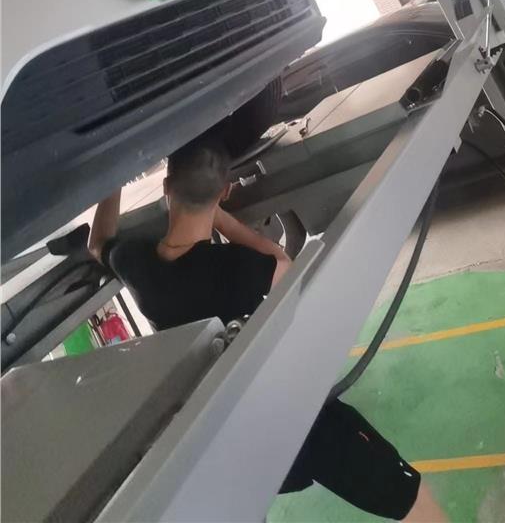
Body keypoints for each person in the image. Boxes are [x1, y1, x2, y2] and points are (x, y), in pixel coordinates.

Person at [89, 140, 446, 523]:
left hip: (222, 438)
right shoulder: (238, 265)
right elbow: (283, 263)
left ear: (165, 188)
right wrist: (221, 218)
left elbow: (98, 242)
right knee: (409, 498)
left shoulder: (137, 263)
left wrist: (115, 177)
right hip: (290, 412)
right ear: (225, 191)